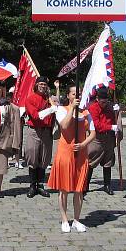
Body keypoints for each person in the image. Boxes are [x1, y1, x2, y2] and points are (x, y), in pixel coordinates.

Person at [47, 85, 96, 233]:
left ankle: (76, 219)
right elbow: (64, 125)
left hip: (81, 153)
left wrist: (83, 145)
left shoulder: (86, 112)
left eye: (78, 94)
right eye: (73, 94)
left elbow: (93, 132)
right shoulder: (61, 110)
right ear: (68, 96)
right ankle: (64, 219)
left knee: (79, 189)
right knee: (64, 188)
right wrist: (72, 110)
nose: (76, 96)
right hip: (65, 153)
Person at [24, 76, 57, 198]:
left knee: (44, 158)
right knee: (33, 157)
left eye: (44, 84)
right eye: (40, 84)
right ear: (36, 85)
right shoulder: (30, 99)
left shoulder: (49, 100)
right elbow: (35, 115)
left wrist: (54, 107)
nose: (43, 86)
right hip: (35, 131)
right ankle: (32, 186)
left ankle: (41, 185)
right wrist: (50, 110)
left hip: (47, 132)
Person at [86, 85, 121, 195]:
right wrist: (111, 127)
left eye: (106, 100)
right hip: (97, 138)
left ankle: (107, 185)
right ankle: (85, 185)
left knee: (108, 161)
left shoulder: (110, 106)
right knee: (91, 161)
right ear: (97, 99)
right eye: (102, 100)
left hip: (109, 138)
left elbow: (114, 118)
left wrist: (117, 111)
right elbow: (97, 125)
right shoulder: (93, 108)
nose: (104, 102)